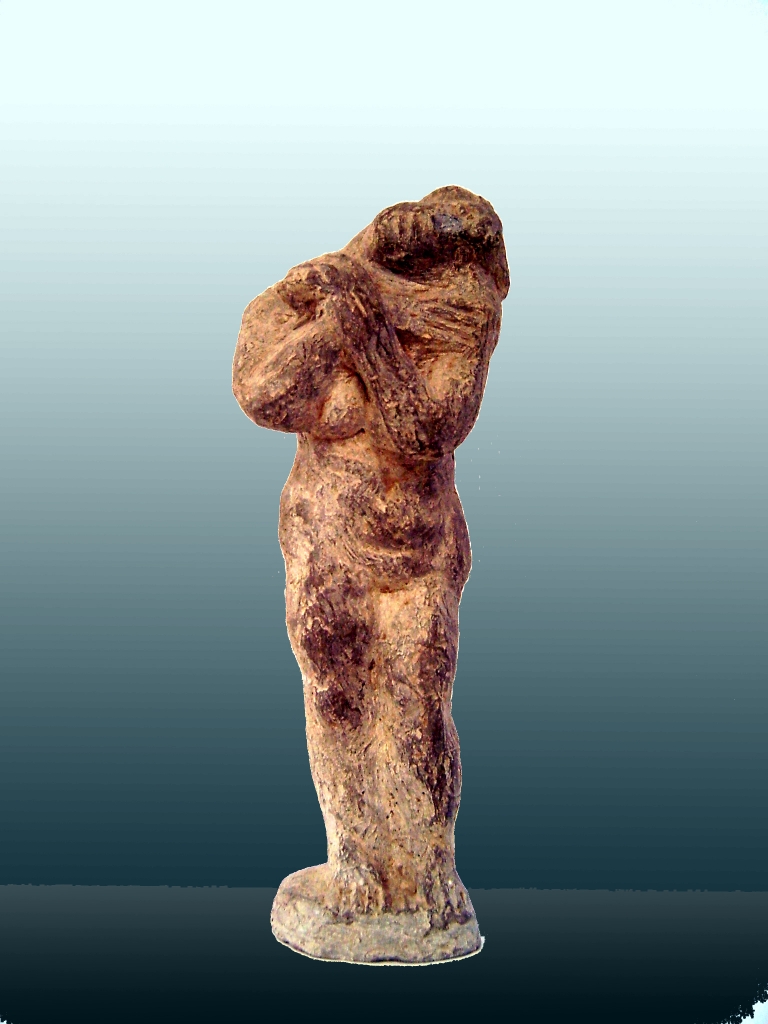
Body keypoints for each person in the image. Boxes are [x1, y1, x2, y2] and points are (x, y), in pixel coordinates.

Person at [233, 186, 509, 955]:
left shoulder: (461, 319)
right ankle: (357, 864)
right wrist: (343, 314)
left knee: (418, 704)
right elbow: (265, 395)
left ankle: (429, 872)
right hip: (329, 536)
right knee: (338, 699)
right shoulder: (309, 300)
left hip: (417, 547)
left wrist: (367, 325)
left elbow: (425, 429)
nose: (454, 284)